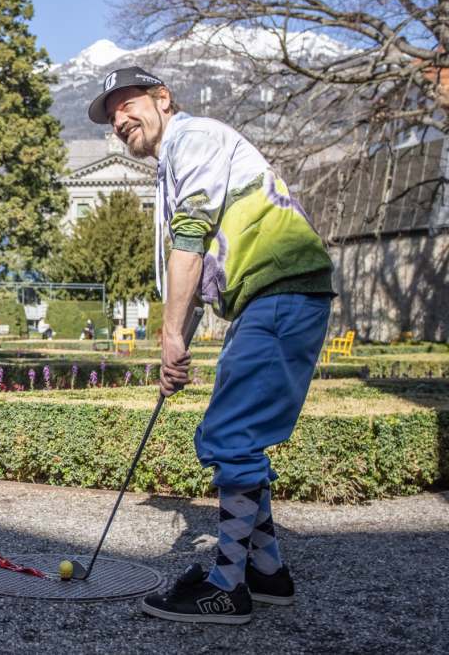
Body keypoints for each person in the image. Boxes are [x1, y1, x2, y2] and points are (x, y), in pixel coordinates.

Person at [88, 66, 334, 625]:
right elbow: (194, 276)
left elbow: (192, 237)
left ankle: (227, 586)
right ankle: (267, 575)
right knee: (232, 435)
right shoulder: (177, 157)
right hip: (270, 297)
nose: (120, 119)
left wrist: (171, 336)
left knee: (230, 435)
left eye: (127, 104)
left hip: (279, 291)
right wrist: (180, 340)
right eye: (111, 116)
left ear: (163, 99)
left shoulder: (192, 138)